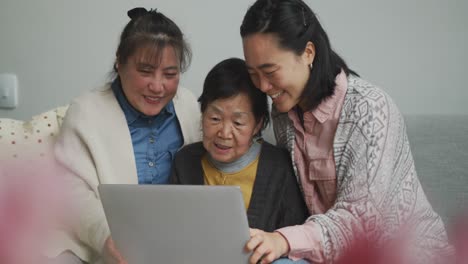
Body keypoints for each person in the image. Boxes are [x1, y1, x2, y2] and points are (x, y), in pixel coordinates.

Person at [239, 0, 452, 263]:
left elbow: (361, 221)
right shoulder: (283, 114)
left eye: (270, 71)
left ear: (308, 53)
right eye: (253, 73)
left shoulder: (369, 108)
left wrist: (283, 240)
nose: (262, 86)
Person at [53, 7, 201, 264]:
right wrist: (105, 236)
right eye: (145, 71)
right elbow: (70, 193)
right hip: (104, 246)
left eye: (170, 74)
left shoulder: (188, 105)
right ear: (119, 63)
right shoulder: (86, 112)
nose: (157, 86)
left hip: (177, 244)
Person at [170, 58, 308, 235]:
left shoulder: (280, 168)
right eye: (215, 119)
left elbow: (293, 241)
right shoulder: (184, 162)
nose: (225, 133)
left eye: (238, 122)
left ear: (258, 124)